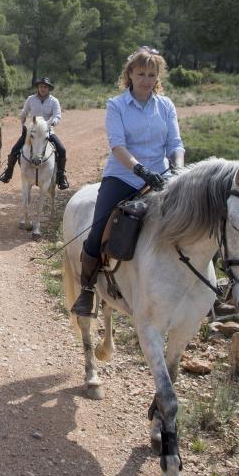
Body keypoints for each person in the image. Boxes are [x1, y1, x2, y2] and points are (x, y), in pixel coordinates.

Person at [72, 47, 184, 316]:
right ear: (130, 74)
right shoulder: (116, 105)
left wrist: (178, 171)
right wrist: (141, 170)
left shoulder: (166, 106)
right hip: (124, 176)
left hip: (162, 178)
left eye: (152, 74)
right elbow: (118, 146)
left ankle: (206, 288)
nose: (146, 79)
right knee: (98, 230)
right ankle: (87, 290)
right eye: (141, 73)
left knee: (196, 218)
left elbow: (175, 143)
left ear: (158, 77)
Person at [0, 77, 69, 190]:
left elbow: (57, 115)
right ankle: (8, 172)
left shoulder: (54, 101)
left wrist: (53, 122)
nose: (43, 89)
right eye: (41, 86)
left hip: (47, 131)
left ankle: (61, 176)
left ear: (49, 88)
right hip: (32, 132)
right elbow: (23, 112)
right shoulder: (31, 99)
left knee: (62, 150)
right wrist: (23, 122)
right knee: (14, 150)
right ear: (38, 87)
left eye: (45, 87)